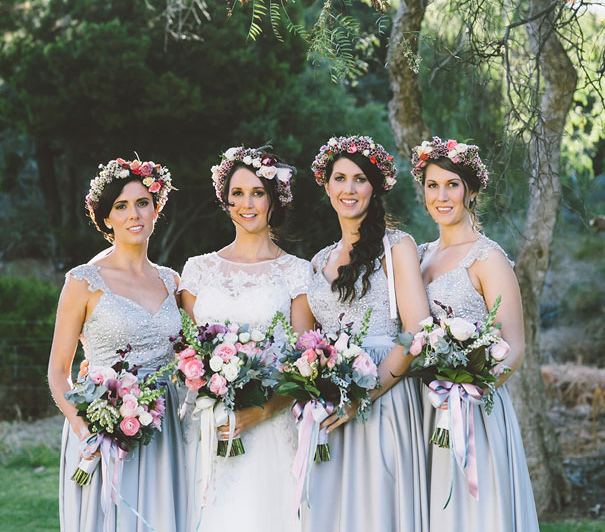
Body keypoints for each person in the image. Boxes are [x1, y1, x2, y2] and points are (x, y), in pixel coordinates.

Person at [48, 157, 187, 532]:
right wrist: (85, 430)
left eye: (142, 202)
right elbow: (59, 371)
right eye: (120, 206)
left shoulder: (173, 282)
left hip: (165, 427)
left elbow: (190, 352)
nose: (134, 214)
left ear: (156, 208)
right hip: (103, 427)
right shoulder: (83, 282)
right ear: (106, 218)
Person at [180, 146, 314, 532]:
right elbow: (185, 351)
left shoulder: (296, 273)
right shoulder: (198, 270)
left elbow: (304, 364)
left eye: (257, 192)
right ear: (225, 200)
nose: (246, 203)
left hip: (269, 428)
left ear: (274, 200)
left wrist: (263, 410)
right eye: (237, 193)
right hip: (207, 427)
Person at [411, 135, 539, 531]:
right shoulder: (417, 255)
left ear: (471, 190)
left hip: (475, 413)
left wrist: (466, 393)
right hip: (424, 408)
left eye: (452, 184)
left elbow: (514, 348)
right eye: (433, 185)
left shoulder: (488, 257)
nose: (441, 195)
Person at [304, 135, 430, 532]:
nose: (349, 188)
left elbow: (416, 331)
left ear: (374, 187)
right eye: (340, 178)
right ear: (326, 185)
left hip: (384, 397)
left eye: (360, 178)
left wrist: (362, 396)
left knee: (380, 511)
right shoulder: (319, 260)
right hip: (331, 402)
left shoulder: (397, 247)